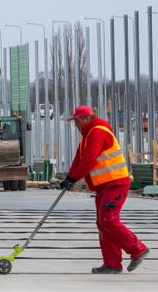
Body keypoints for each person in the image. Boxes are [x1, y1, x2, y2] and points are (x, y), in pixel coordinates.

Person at [61, 105, 150, 274]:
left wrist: (74, 178)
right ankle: (112, 264)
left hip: (115, 183)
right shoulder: (87, 136)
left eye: (78, 120)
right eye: (75, 121)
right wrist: (69, 177)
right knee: (103, 223)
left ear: (87, 118)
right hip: (104, 185)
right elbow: (78, 159)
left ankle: (138, 249)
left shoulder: (98, 132)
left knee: (109, 221)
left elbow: (89, 160)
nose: (76, 124)